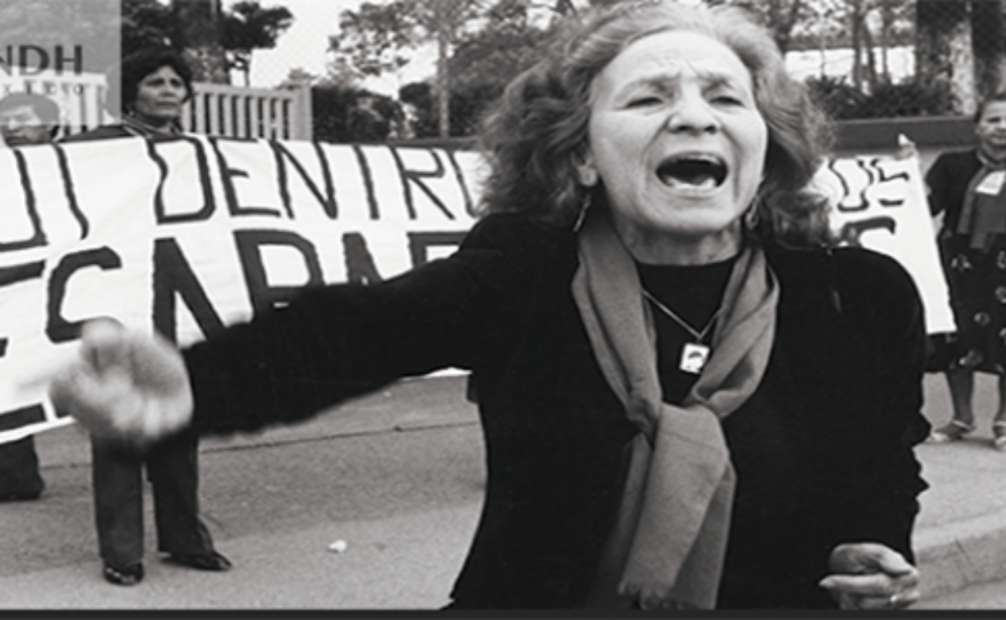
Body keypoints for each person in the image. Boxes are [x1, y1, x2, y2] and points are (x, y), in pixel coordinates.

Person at [49, 2, 930, 610]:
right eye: (651, 97)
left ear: (764, 147)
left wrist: (874, 547)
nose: (694, 118)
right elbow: (353, 334)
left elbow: (886, 465)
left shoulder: (857, 295)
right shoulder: (523, 273)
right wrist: (191, 387)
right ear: (581, 155)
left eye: (724, 97)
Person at [59, 47, 231, 586]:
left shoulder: (199, 153)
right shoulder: (90, 151)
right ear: (131, 91)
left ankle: (185, 539)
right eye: (154, 82)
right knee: (116, 424)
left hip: (176, 303)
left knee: (177, 420)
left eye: (176, 83)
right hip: (113, 303)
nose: (167, 91)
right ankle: (122, 552)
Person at [925, 92, 1006, 451]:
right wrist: (903, 176)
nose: (1002, 128)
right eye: (992, 120)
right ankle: (962, 417)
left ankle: (1004, 421)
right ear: (977, 128)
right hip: (959, 265)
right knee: (957, 337)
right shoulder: (950, 165)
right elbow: (922, 206)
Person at [0, 92, 61, 501]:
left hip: (61, 290)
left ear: (50, 127)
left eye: (25, 120)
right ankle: (16, 475)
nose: (13, 127)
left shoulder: (74, 168)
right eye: (6, 120)